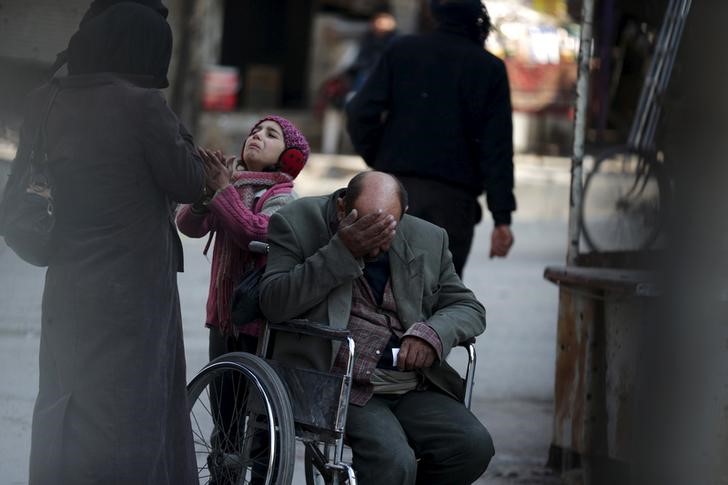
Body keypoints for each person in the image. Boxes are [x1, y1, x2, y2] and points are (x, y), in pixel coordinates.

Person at [25, 4, 204, 484]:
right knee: (130, 414)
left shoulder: (47, 98)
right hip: (133, 290)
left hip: (68, 280)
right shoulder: (141, 105)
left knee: (65, 396)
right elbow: (189, 181)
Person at [259, 171, 494, 485]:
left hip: (409, 382)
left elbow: (468, 307)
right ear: (342, 208)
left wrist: (432, 334)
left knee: (471, 446)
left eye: (386, 226)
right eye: (363, 221)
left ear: (403, 216)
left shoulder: (428, 237)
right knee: (393, 462)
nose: (374, 236)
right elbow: (274, 303)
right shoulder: (297, 221)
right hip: (338, 381)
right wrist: (342, 250)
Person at [176, 115, 309, 484]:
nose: (257, 136)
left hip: (260, 323)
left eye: (271, 135)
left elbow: (253, 232)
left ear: (289, 156)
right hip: (222, 318)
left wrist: (223, 192)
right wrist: (208, 191)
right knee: (225, 419)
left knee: (263, 423)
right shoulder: (232, 184)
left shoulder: (282, 197)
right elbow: (188, 225)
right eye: (255, 130)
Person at [346, 0, 516, 277]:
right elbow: (497, 148)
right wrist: (502, 218)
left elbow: (359, 113)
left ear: (434, 14)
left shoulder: (402, 50)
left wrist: (381, 159)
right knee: (437, 300)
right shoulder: (489, 68)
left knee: (379, 296)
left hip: (392, 195)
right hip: (453, 205)